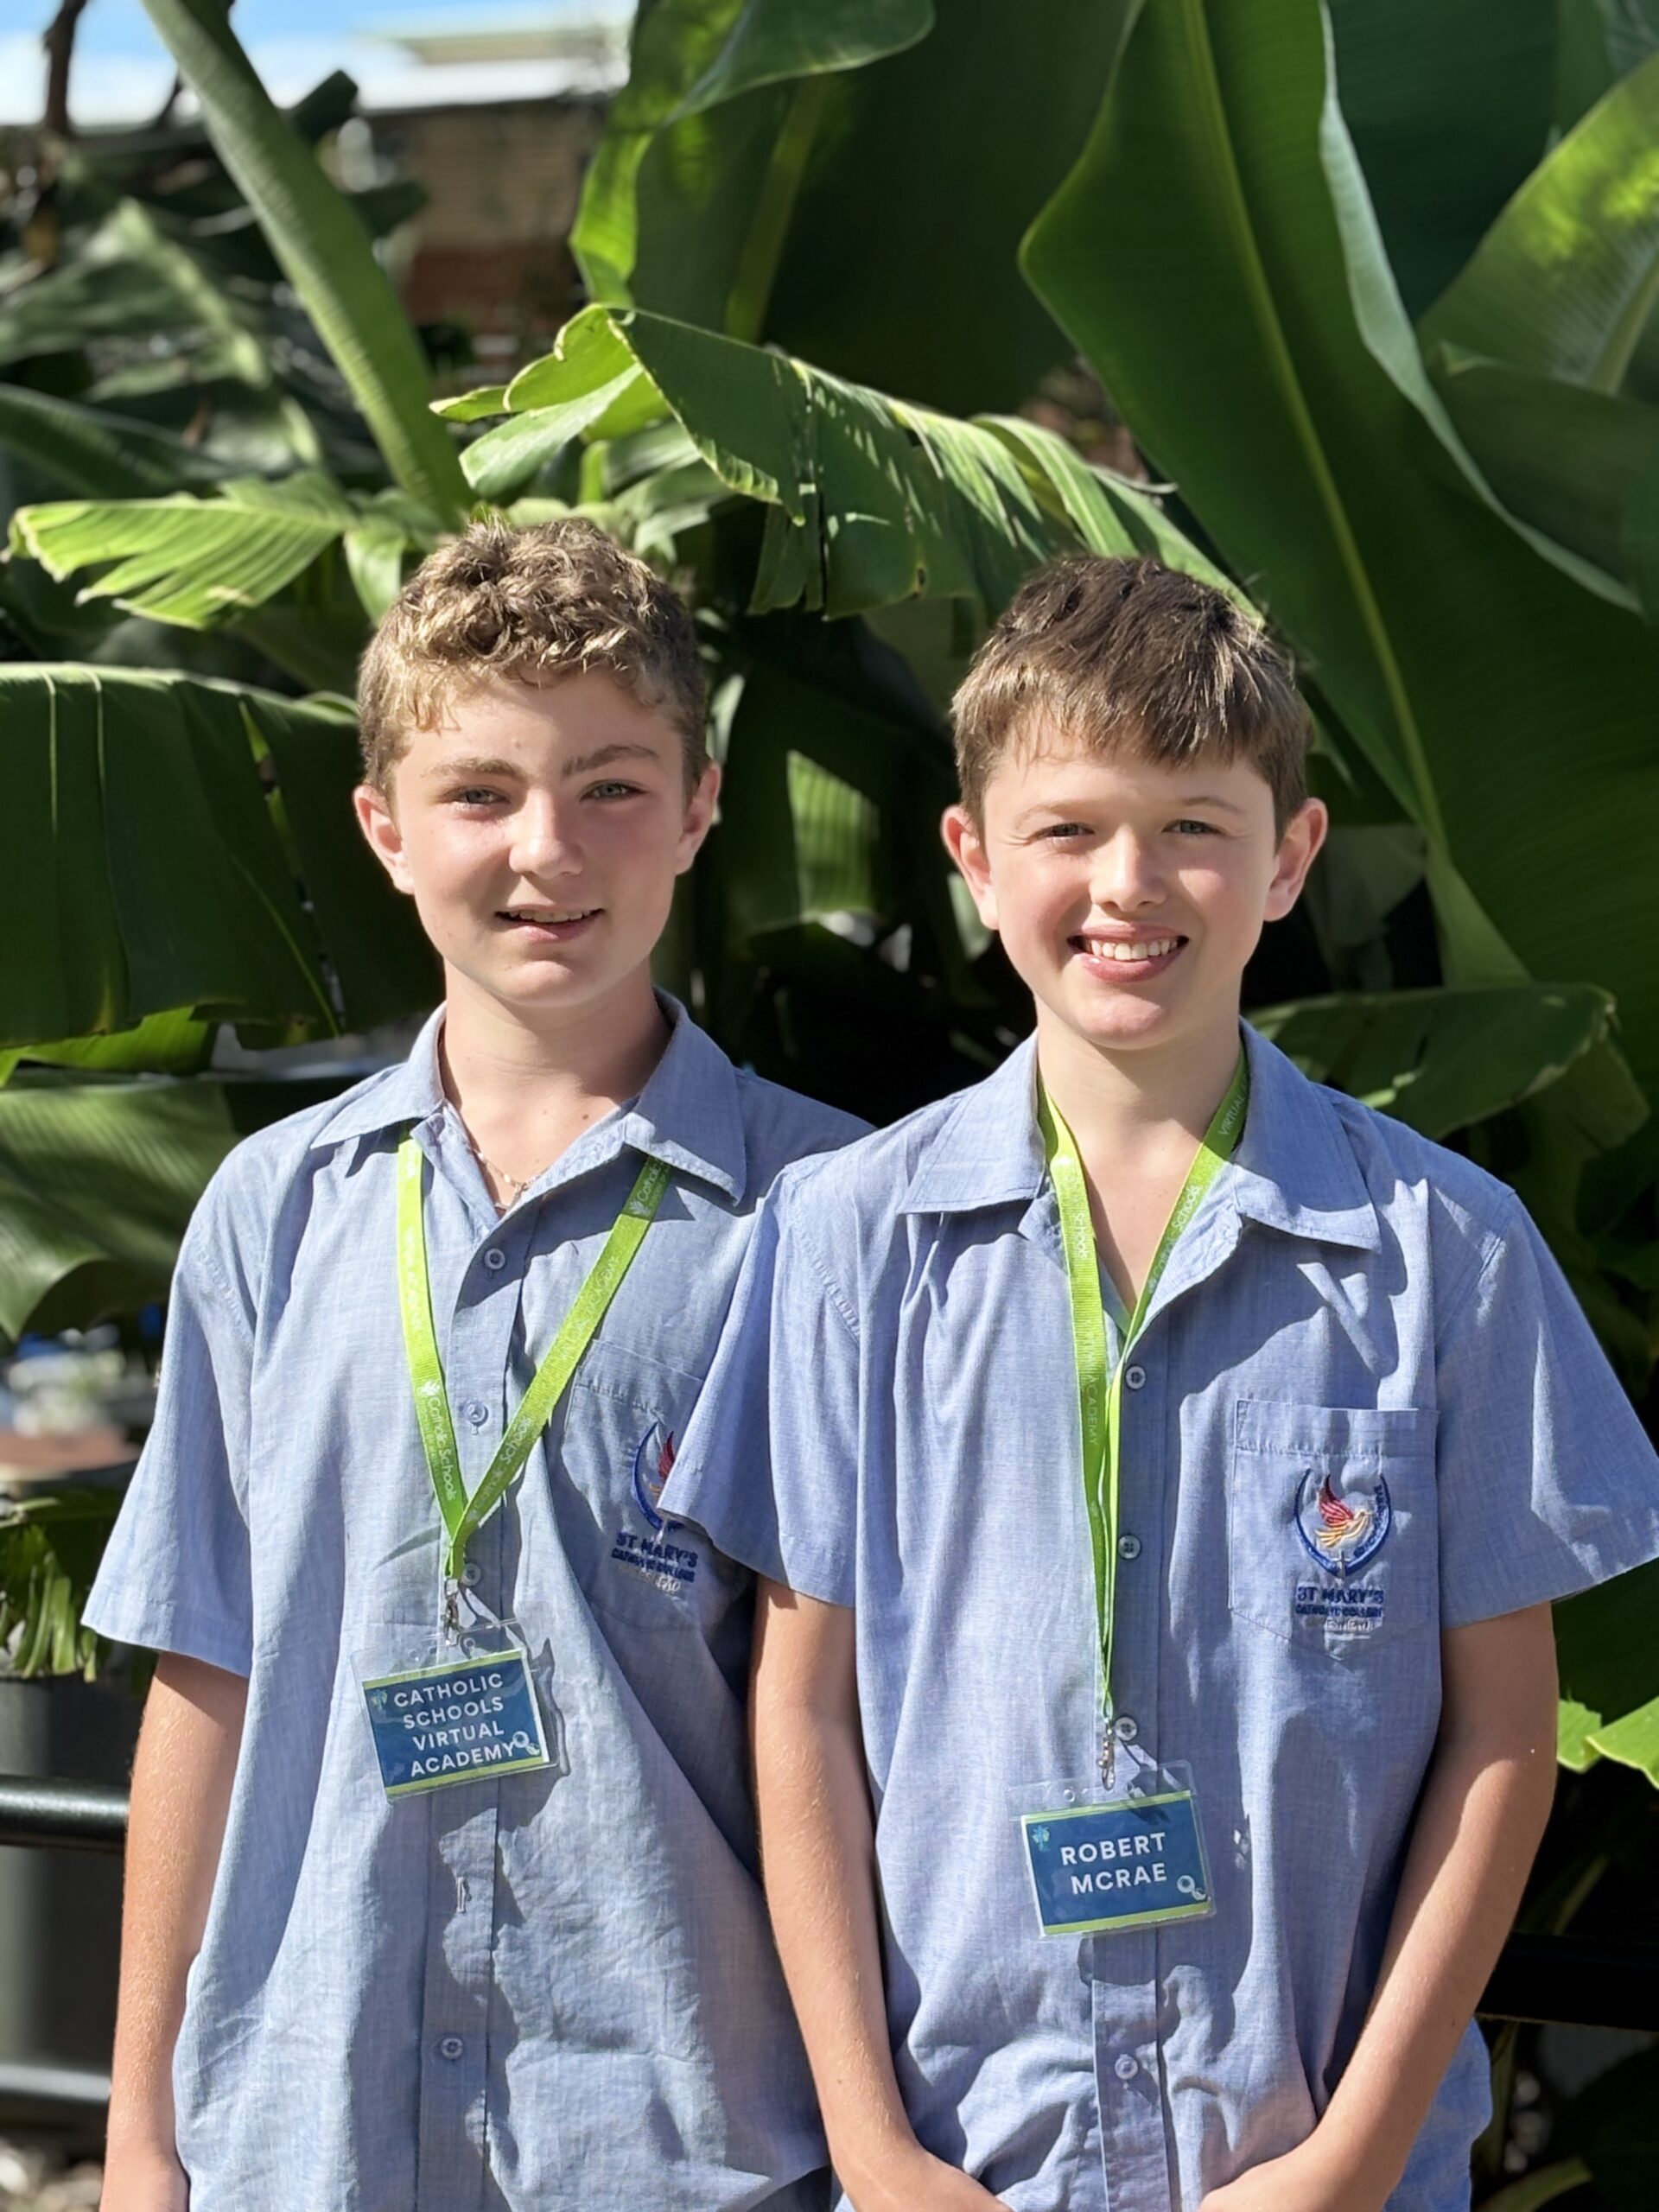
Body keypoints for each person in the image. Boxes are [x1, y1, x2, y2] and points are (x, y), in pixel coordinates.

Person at [660, 555, 1659, 2212]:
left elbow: (1505, 1734)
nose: (1129, 883)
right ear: (975, 859)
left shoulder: (1445, 1253)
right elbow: (804, 1710)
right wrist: (876, 2155)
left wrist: (1347, 2164)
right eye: (1068, 828)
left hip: (1317, 2168)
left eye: (1195, 824)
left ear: (1292, 858)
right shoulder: (844, 1245)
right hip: (967, 2164)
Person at [86, 518, 864, 2212]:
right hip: (305, 2134)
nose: (546, 850)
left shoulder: (832, 1215)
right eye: (481, 793)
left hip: (682, 2144)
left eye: (610, 786)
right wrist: (141, 2132)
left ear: (701, 804)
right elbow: (204, 1669)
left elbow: (886, 1721)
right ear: (384, 827)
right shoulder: (277, 1210)